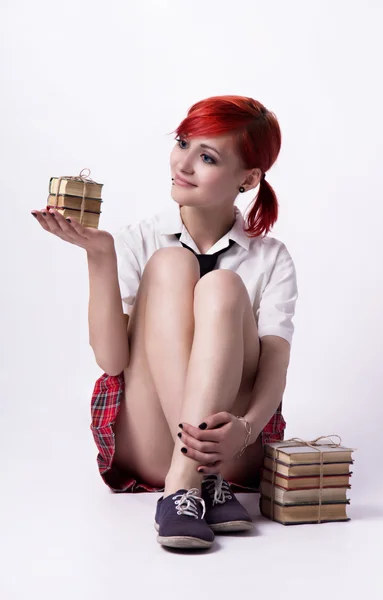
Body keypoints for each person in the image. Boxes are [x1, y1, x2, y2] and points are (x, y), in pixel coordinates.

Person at [31, 95, 298, 550]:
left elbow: (274, 367)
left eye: (207, 156)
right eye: (182, 143)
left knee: (223, 286)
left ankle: (185, 482)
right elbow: (112, 360)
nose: (184, 163)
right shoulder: (141, 239)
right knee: (173, 264)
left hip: (231, 450)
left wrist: (247, 428)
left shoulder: (271, 258)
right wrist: (100, 256)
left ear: (248, 178)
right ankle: (188, 482)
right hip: (152, 441)